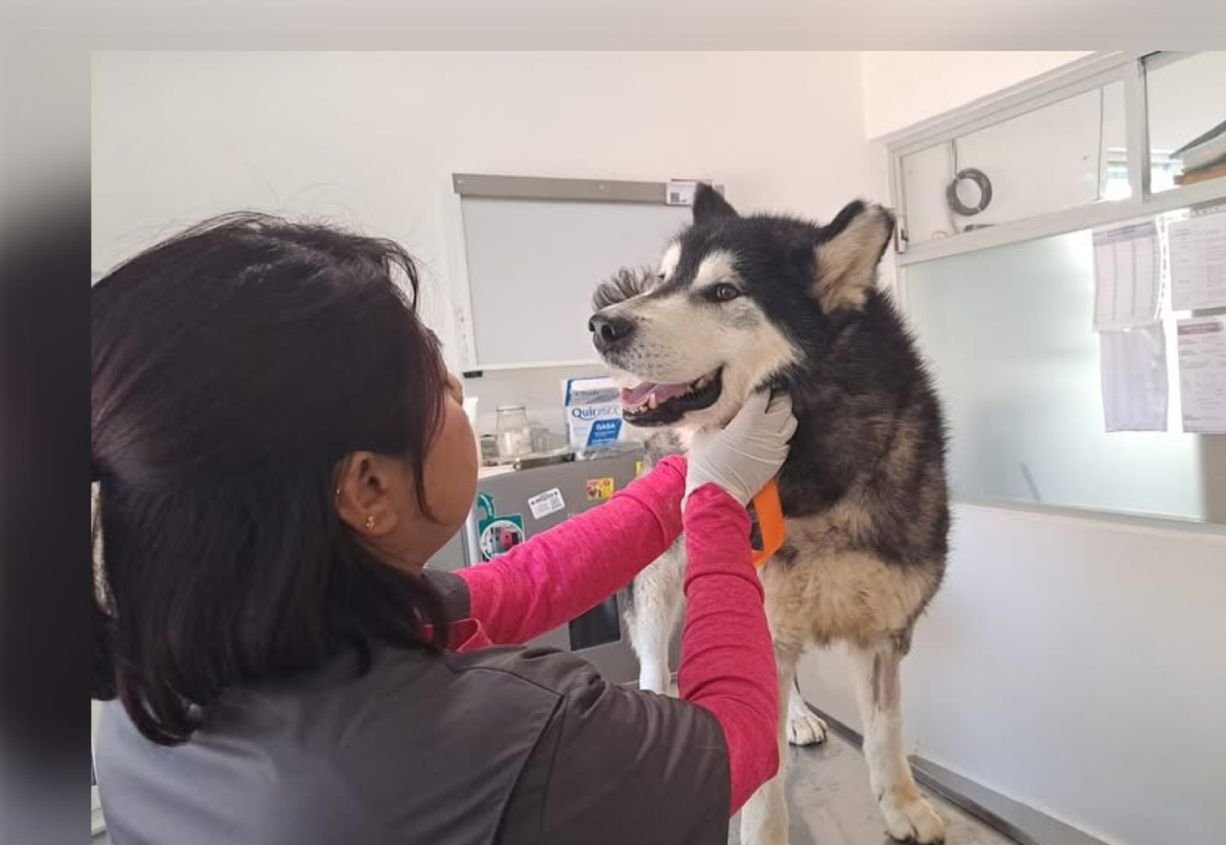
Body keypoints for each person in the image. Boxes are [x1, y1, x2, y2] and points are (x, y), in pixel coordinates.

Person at [90, 213, 790, 844]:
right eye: (438, 382)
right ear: (368, 486)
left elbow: (522, 586)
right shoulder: (500, 739)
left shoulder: (158, 676)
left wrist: (686, 476)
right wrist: (716, 503)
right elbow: (737, 738)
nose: (458, 390)